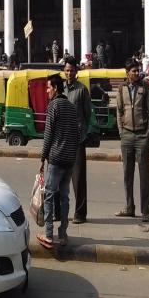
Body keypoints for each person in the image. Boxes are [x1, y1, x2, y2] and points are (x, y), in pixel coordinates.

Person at [37, 74, 79, 249]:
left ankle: (48, 234)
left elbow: (48, 136)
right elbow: (77, 135)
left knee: (49, 196)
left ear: (55, 88)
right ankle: (63, 234)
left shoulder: (53, 106)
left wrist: (42, 158)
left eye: (48, 88)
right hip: (69, 160)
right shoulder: (71, 107)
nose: (47, 91)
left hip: (55, 158)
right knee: (64, 197)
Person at [115, 59, 149, 222]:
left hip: (141, 136)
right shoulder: (121, 88)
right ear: (127, 73)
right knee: (127, 174)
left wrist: (148, 133)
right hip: (127, 135)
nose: (137, 73)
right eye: (133, 71)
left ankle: (145, 211)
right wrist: (121, 131)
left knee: (144, 174)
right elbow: (118, 111)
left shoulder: (145, 88)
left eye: (138, 70)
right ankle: (129, 207)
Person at [63, 57, 91, 224]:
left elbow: (88, 115)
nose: (69, 73)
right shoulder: (61, 90)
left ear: (76, 71)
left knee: (78, 179)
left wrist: (82, 132)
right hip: (62, 140)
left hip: (77, 140)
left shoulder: (82, 90)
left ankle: (80, 214)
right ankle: (60, 212)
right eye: (66, 70)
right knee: (60, 178)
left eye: (72, 70)